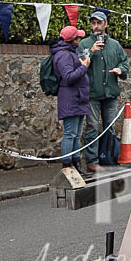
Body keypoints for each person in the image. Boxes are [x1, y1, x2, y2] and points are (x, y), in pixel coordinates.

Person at [78, 11, 130, 173]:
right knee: (92, 127)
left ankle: (109, 158)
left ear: (105, 24)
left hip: (111, 93)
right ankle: (92, 161)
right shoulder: (85, 43)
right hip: (92, 93)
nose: (96, 26)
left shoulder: (115, 44)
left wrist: (120, 70)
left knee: (110, 127)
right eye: (93, 23)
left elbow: (125, 63)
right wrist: (92, 51)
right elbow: (80, 64)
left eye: (99, 23)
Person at [50, 25, 90, 176]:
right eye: (78, 37)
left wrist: (80, 65)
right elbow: (68, 77)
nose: (80, 40)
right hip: (71, 98)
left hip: (78, 98)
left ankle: (76, 163)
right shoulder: (64, 55)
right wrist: (84, 67)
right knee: (70, 133)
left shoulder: (69, 53)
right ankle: (68, 166)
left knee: (76, 133)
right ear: (73, 40)